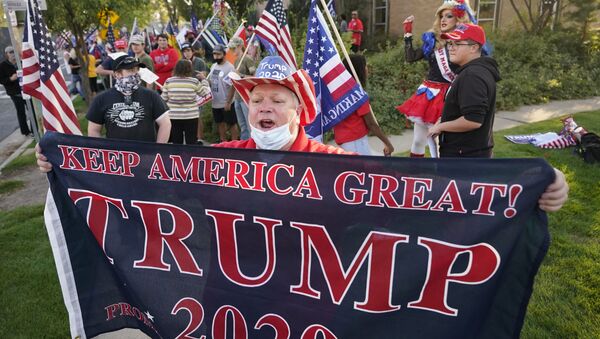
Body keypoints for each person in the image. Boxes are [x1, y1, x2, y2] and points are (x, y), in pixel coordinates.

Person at [36, 55, 569, 212]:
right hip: (232, 293)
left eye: (277, 100)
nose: (264, 107)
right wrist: (69, 162)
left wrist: (528, 190)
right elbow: (153, 175)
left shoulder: (332, 159)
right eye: (256, 100)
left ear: (297, 109)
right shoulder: (223, 155)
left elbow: (416, 193)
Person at [396, 0, 475, 158]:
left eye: (449, 16)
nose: (443, 20)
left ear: (459, 19)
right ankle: (415, 173)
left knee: (441, 144)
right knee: (419, 140)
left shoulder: (465, 44)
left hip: (449, 96)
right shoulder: (433, 41)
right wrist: (407, 34)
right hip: (428, 95)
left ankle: (439, 177)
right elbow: (410, 58)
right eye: (441, 16)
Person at [428, 23, 500, 158]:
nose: (451, 48)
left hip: (464, 157)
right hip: (469, 153)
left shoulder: (472, 76)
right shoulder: (472, 71)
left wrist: (441, 127)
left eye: (457, 44)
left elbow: (473, 120)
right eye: (449, 43)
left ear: (474, 47)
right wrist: (444, 119)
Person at [86, 55, 171, 142]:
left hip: (146, 154)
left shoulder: (152, 96)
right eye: (131, 70)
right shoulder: (101, 99)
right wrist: (102, 152)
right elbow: (94, 130)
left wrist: (158, 150)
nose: (135, 73)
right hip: (117, 154)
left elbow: (165, 124)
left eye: (137, 70)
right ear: (117, 74)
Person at [334, 54, 394, 156]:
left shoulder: (337, 91)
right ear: (358, 69)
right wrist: (388, 143)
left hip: (344, 141)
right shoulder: (358, 94)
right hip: (356, 141)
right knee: (366, 170)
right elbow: (371, 124)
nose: (367, 69)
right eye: (365, 66)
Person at [161, 59, 211, 145]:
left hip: (174, 116)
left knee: (177, 142)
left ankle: (177, 157)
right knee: (191, 141)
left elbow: (163, 99)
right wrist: (204, 80)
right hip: (191, 116)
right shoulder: (194, 81)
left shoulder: (169, 81)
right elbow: (205, 93)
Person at [225, 37, 256, 140]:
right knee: (242, 125)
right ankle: (244, 144)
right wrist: (229, 100)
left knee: (249, 124)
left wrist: (241, 76)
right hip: (237, 97)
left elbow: (255, 77)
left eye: (234, 48)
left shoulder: (247, 59)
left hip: (246, 97)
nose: (232, 51)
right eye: (231, 48)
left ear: (240, 47)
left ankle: (252, 144)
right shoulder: (236, 61)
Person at [208, 44, 238, 142]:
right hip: (215, 101)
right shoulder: (213, 66)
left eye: (218, 54)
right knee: (220, 123)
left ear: (224, 54)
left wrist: (228, 102)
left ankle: (234, 144)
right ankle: (223, 142)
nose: (216, 56)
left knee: (232, 123)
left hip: (226, 101)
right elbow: (211, 81)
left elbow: (233, 85)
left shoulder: (230, 67)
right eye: (214, 54)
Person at [0, 46, 32, 136]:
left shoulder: (21, 62)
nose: (13, 54)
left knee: (32, 110)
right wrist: (10, 78)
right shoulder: (2, 65)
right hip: (15, 93)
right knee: (21, 112)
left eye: (14, 51)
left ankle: (34, 130)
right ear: (7, 54)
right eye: (10, 52)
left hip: (26, 90)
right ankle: (25, 131)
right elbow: (1, 80)